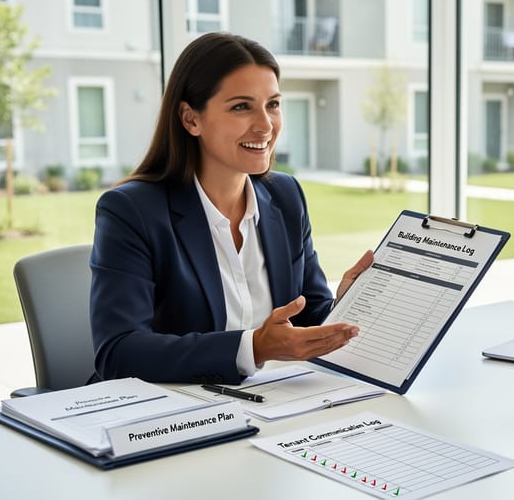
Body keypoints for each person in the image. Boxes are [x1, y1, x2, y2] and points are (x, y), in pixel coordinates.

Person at [90, 32, 373, 385]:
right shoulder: (132, 211)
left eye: (273, 104)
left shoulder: (285, 196)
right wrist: (253, 348)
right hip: (170, 415)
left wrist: (345, 307)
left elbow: (303, 319)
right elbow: (118, 353)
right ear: (191, 119)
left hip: (269, 404)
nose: (266, 126)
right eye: (242, 107)